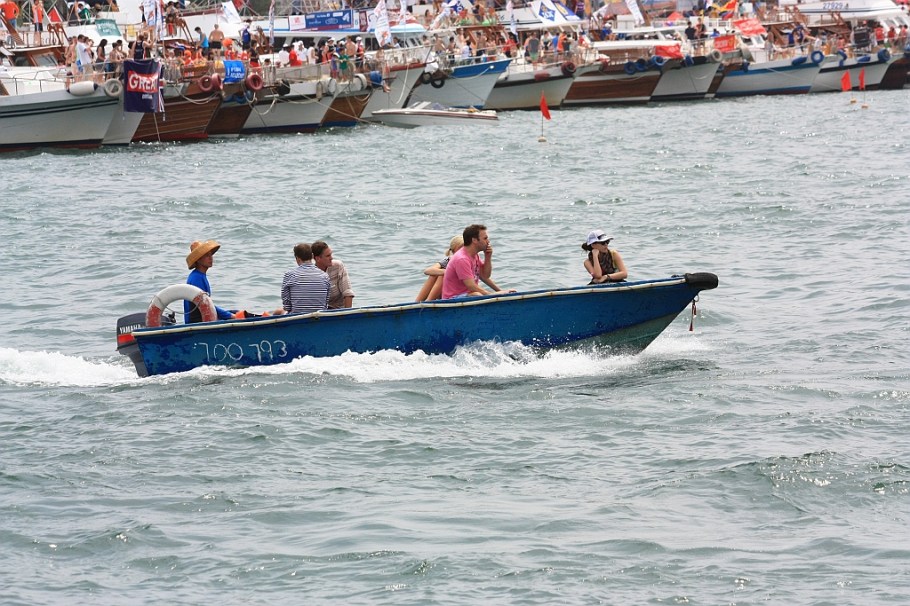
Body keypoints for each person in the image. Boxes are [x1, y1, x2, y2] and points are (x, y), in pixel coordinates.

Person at [441, 224, 513, 299]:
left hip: (467, 295)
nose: (488, 241)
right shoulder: (462, 259)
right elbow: (471, 286)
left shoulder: (474, 255)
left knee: (477, 294)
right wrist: (493, 295)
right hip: (452, 299)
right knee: (477, 294)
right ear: (474, 240)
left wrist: (487, 257)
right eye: (485, 238)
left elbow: (485, 276)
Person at [185, 240, 237, 323]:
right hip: (197, 323)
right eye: (206, 255)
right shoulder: (196, 278)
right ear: (198, 260)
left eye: (211, 254)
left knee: (236, 312)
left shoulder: (199, 275)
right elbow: (206, 305)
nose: (211, 258)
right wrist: (230, 316)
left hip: (203, 318)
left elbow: (208, 305)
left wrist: (230, 314)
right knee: (235, 315)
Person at [281, 243, 329, 314]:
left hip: (297, 318)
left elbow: (287, 306)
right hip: (319, 318)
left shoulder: (289, 275)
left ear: (297, 258)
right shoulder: (325, 276)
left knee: (278, 312)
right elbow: (325, 303)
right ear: (312, 256)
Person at [416, 235, 463, 302]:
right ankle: (419, 302)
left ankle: (428, 301)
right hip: (445, 291)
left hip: (458, 291)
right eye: (461, 249)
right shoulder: (448, 260)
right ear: (453, 250)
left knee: (444, 275)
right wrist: (448, 271)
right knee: (436, 275)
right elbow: (427, 271)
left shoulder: (466, 260)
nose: (463, 251)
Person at [312, 240, 354, 308]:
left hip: (339, 310)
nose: (331, 258)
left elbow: (348, 293)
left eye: (331, 254)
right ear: (318, 258)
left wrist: (347, 315)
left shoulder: (338, 266)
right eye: (328, 256)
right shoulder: (311, 273)